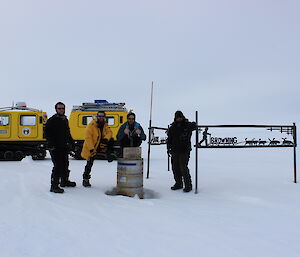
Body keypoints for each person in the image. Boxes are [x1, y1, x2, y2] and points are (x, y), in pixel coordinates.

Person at [45, 102, 76, 193]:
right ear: (56, 109)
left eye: (63, 108)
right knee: (58, 166)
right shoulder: (52, 120)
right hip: (55, 147)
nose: (61, 110)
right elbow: (47, 133)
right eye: (59, 108)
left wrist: (71, 142)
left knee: (65, 164)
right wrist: (50, 144)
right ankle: (54, 186)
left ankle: (64, 181)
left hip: (63, 147)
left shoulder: (65, 120)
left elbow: (67, 132)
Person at [81, 111, 115, 187]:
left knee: (111, 140)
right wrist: (91, 149)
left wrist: (106, 139)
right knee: (89, 163)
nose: (101, 117)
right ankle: (85, 179)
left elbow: (109, 132)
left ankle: (110, 155)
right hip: (91, 147)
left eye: (102, 116)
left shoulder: (105, 125)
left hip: (100, 145)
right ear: (97, 116)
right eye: (99, 116)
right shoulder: (91, 125)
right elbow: (88, 138)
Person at [167, 111, 196, 192]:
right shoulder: (172, 127)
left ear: (182, 117)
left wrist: (194, 124)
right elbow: (169, 139)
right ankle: (178, 183)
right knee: (175, 167)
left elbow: (194, 127)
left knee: (183, 167)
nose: (179, 118)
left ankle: (188, 185)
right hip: (174, 150)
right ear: (175, 118)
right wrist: (168, 148)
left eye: (180, 117)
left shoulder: (187, 125)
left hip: (184, 150)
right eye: (177, 117)